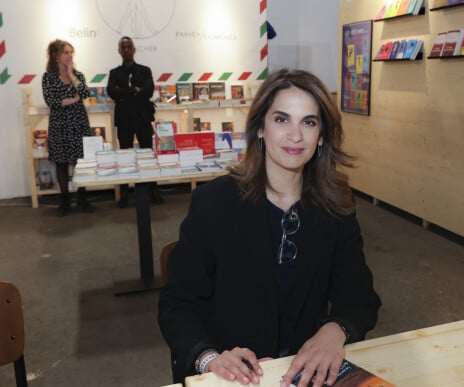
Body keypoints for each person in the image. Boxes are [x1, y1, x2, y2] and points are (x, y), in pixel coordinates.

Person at [158, 69, 382, 387]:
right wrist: (208, 358)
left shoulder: (335, 206)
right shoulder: (214, 202)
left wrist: (336, 330)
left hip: (303, 369)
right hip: (232, 370)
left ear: (321, 136)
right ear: (260, 128)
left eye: (309, 121)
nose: (295, 135)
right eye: (281, 119)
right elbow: (177, 304)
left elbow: (359, 297)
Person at [107, 36, 162, 208]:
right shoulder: (114, 73)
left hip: (143, 119)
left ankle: (153, 190)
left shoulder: (145, 70)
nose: (126, 50)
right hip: (124, 121)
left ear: (134, 49)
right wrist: (133, 90)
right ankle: (124, 193)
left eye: (129, 47)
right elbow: (111, 92)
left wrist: (124, 94)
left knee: (148, 154)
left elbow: (148, 91)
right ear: (119, 51)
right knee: (124, 156)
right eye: (123, 48)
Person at [42, 39, 94, 216]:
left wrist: (71, 74)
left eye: (72, 52)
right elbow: (52, 101)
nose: (70, 55)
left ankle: (82, 198)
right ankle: (64, 200)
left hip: (78, 122)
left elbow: (86, 94)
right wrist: (72, 99)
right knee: (62, 163)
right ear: (56, 55)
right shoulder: (48, 77)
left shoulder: (78, 75)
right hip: (60, 124)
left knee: (81, 162)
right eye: (66, 52)